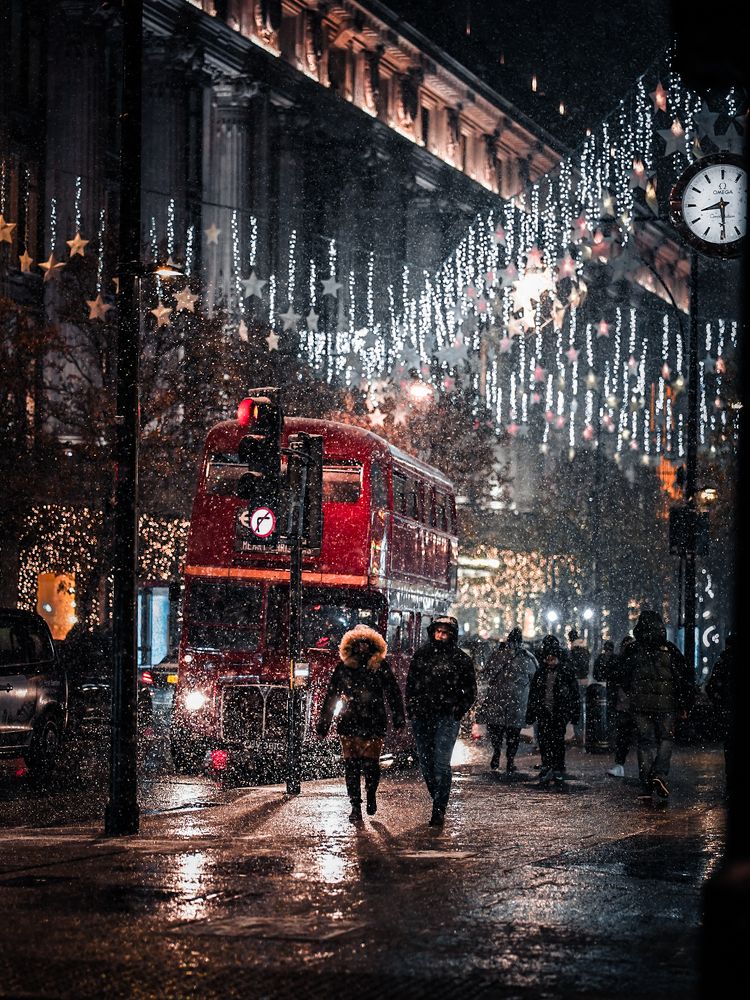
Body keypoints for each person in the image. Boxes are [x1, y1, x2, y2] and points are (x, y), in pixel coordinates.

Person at [316, 625, 405, 824]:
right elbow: (331, 697)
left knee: (371, 764)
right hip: (350, 721)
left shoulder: (380, 666)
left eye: (367, 644)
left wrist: (399, 716)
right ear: (352, 646)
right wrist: (324, 723)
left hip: (373, 721)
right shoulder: (344, 668)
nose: (363, 648)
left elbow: (393, 693)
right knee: (352, 765)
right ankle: (355, 805)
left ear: (374, 646)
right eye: (359, 644)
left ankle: (371, 793)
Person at [405, 615, 476, 827]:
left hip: (446, 717)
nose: (440, 636)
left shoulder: (461, 659)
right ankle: (437, 796)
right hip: (423, 716)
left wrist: (457, 710)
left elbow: (470, 691)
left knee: (441, 763)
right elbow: (411, 685)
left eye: (445, 632)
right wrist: (413, 709)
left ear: (451, 635)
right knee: (426, 764)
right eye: (438, 631)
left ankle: (439, 808)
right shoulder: (422, 655)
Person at [623, 609, 695, 801]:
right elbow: (685, 677)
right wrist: (685, 703)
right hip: (667, 705)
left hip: (640, 705)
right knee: (666, 739)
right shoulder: (670, 650)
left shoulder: (633, 650)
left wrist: (632, 690)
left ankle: (646, 784)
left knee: (645, 742)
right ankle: (659, 774)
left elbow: (622, 674)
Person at [480, 626, 538, 774]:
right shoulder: (527, 658)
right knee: (513, 733)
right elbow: (535, 678)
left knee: (496, 730)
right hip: (517, 702)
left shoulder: (497, 655)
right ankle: (510, 760)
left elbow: (487, 673)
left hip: (497, 700)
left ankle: (497, 753)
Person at [525, 634, 581, 787]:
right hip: (548, 712)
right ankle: (552, 767)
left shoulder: (562, 672)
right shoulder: (545, 672)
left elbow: (574, 694)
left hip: (557, 712)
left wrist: (574, 713)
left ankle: (555, 768)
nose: (549, 661)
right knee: (547, 741)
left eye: (551, 658)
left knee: (555, 741)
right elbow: (535, 694)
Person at [598, 635, 635, 778]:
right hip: (625, 704)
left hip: (629, 704)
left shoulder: (623, 661)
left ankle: (623, 765)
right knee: (625, 735)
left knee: (627, 736)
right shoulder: (621, 661)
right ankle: (622, 764)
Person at [705, 633, 735, 798]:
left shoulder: (722, 664)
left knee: (729, 746)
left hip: (727, 710)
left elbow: (712, 687)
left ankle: (730, 780)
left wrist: (719, 701)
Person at [568, 628, 590, 745]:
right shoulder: (585, 650)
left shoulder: (574, 651)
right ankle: (579, 734)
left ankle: (578, 735)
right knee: (581, 706)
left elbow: (572, 667)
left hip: (576, 681)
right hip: (584, 680)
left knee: (577, 709)